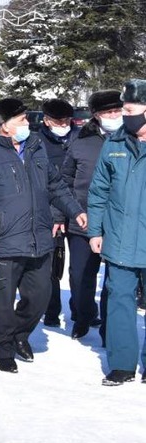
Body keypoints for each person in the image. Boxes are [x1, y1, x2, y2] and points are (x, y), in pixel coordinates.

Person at [0, 98, 85, 374]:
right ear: (4, 126)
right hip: (3, 240)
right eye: (21, 120)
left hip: (39, 238)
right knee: (3, 302)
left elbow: (54, 185)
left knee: (41, 296)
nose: (27, 123)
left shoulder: (35, 146)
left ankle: (19, 333)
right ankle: (4, 348)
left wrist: (74, 210)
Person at [86, 79, 146, 385]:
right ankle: (122, 365)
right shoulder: (115, 144)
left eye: (130, 109)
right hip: (120, 238)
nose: (125, 115)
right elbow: (98, 192)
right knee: (119, 301)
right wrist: (95, 231)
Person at [61, 90, 122, 340]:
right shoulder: (80, 140)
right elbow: (64, 180)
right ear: (96, 115)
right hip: (83, 217)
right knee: (80, 274)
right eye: (108, 112)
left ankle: (110, 325)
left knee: (115, 279)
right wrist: (64, 213)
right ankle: (83, 317)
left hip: (119, 220)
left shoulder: (131, 138)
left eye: (117, 111)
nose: (114, 116)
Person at [36, 98, 79, 329]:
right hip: (51, 211)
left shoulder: (80, 137)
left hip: (80, 209)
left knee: (81, 268)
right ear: (46, 120)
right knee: (53, 264)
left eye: (66, 120)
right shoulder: (37, 141)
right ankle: (51, 310)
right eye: (58, 121)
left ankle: (82, 311)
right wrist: (55, 214)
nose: (63, 124)